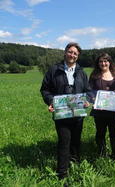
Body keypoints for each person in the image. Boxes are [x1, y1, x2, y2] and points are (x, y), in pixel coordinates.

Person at [40, 42, 92, 181]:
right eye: (70, 52)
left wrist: (87, 100)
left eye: (75, 53)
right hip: (62, 115)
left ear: (78, 56)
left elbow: (88, 91)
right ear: (65, 52)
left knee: (76, 142)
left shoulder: (81, 72)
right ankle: (62, 174)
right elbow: (45, 89)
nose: (72, 55)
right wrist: (51, 101)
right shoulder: (54, 70)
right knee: (64, 143)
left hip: (78, 115)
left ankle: (75, 168)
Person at [89, 53, 115, 159]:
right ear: (98, 63)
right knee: (100, 131)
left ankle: (114, 153)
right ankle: (102, 153)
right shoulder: (94, 76)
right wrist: (94, 99)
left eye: (105, 61)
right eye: (101, 61)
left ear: (110, 62)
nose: (103, 63)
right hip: (99, 111)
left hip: (113, 111)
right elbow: (89, 91)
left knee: (114, 131)